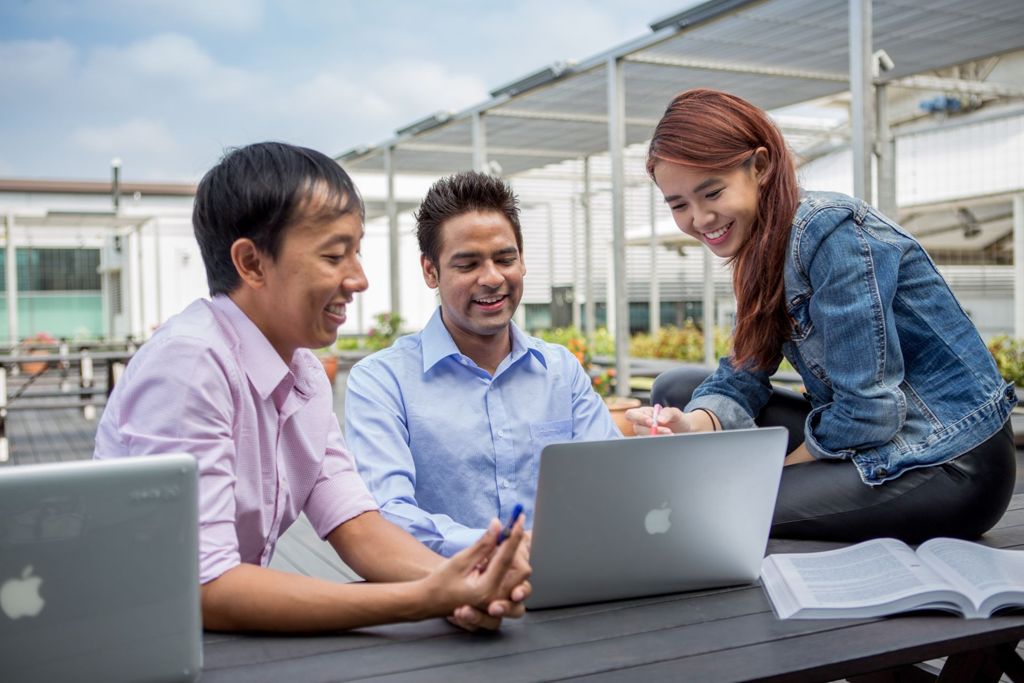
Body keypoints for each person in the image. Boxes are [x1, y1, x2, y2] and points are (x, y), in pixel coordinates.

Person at [94, 142, 529, 633]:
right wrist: (422, 598)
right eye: (335, 255)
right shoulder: (191, 364)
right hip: (131, 645)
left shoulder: (301, 371)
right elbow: (202, 585)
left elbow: (358, 527)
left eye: (357, 252)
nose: (359, 279)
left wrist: (470, 584)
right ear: (252, 263)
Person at [628, 88, 1017, 544]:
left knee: (724, 503)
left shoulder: (830, 233)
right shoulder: (759, 250)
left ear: (760, 166)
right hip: (873, 437)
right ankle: (720, 464)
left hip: (949, 459)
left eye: (711, 192)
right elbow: (740, 379)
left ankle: (728, 481)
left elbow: (869, 412)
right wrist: (691, 425)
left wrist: (779, 465)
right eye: (678, 204)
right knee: (678, 392)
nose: (699, 218)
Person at [345, 171, 620, 556]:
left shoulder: (560, 370)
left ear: (522, 261)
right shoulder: (382, 382)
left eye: (505, 258)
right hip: (444, 595)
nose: (492, 278)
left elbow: (612, 480)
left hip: (567, 580)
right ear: (430, 271)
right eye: (468, 264)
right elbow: (389, 513)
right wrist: (507, 547)